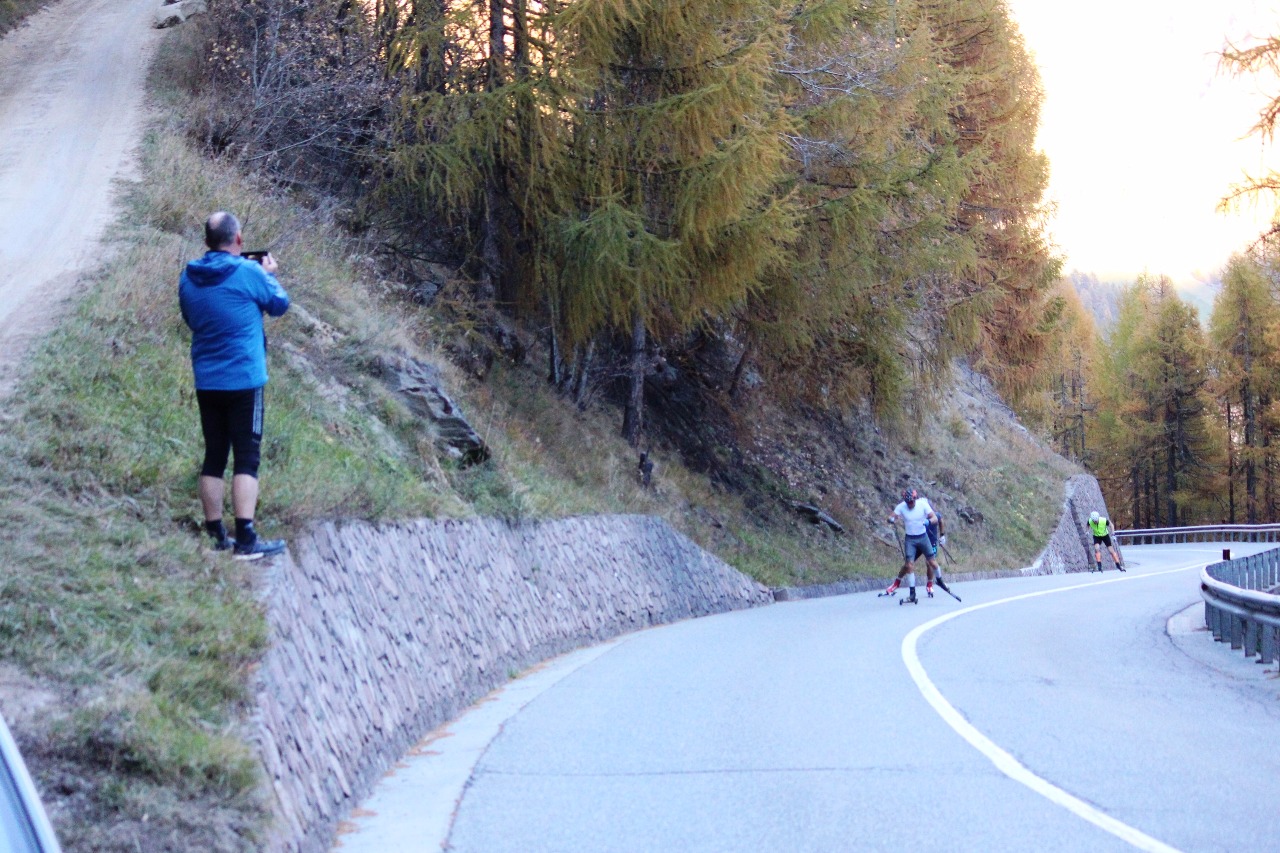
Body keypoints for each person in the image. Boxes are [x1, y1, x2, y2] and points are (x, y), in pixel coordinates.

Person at [179, 211, 290, 560]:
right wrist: (267, 275)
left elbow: (191, 318)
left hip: (207, 377)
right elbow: (279, 305)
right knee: (247, 458)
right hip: (244, 379)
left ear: (207, 241)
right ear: (238, 240)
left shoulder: (189, 275)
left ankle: (215, 534)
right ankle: (246, 538)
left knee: (214, 455)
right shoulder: (249, 272)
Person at [883, 488, 941, 603]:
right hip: (911, 539)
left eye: (912, 502)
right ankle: (899, 585)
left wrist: (939, 533)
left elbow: (937, 519)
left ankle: (931, 584)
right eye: (908, 502)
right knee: (908, 565)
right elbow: (892, 516)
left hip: (926, 538)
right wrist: (891, 519)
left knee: (930, 562)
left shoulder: (924, 505)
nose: (910, 504)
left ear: (916, 499)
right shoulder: (902, 507)